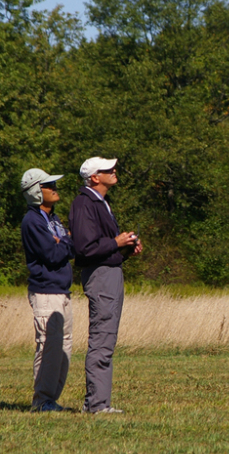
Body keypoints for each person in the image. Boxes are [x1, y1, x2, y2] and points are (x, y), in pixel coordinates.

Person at [69, 157, 141, 414]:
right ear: (94, 177)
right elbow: (85, 248)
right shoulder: (84, 203)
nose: (114, 171)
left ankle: (99, 402)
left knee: (107, 338)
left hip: (110, 273)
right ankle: (97, 404)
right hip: (100, 276)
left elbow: (102, 246)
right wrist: (116, 243)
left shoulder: (101, 203)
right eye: (108, 169)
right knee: (102, 338)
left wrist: (125, 249)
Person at [21, 169, 75, 412]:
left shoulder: (53, 219)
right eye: (49, 184)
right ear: (35, 191)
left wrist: (62, 242)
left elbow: (63, 249)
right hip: (45, 292)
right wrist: (67, 241)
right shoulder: (32, 221)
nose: (55, 187)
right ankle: (41, 400)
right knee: (49, 347)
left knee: (64, 349)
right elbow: (53, 254)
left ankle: (50, 400)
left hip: (62, 290)